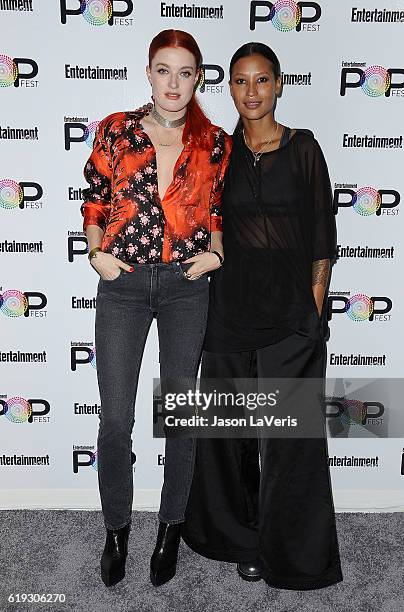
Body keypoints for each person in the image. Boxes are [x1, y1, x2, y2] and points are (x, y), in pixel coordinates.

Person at [181, 42, 343, 590]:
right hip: (227, 311)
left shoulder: (303, 149)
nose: (251, 92)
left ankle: (293, 555)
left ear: (279, 85)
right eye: (240, 82)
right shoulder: (217, 152)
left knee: (290, 440)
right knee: (228, 432)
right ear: (227, 87)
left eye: (262, 81)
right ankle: (238, 539)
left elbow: (323, 233)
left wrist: (314, 308)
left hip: (290, 315)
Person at [80, 29, 231, 588]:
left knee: (180, 417)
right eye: (163, 70)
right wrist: (97, 252)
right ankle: (116, 529)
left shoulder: (214, 141)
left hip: (187, 287)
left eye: (185, 72)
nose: (173, 82)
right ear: (148, 73)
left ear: (198, 78)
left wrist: (215, 253)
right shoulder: (116, 130)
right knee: (116, 419)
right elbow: (94, 196)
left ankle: (170, 527)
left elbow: (218, 211)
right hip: (123, 284)